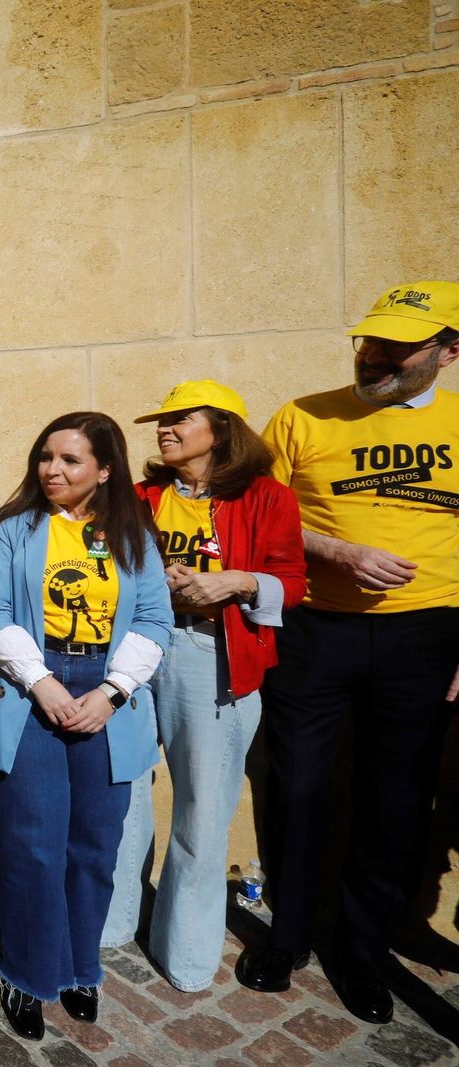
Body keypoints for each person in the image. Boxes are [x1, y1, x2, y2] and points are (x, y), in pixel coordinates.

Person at [236, 282, 459, 1025]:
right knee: (297, 787)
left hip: (426, 635)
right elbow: (252, 516)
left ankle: (362, 952)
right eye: (369, 342)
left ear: (448, 352)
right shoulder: (303, 415)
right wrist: (332, 549)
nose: (375, 356)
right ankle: (288, 936)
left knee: (395, 798)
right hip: (315, 628)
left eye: (398, 347)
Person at [0, 411, 171, 1041]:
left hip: (109, 692)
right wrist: (43, 684)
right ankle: (25, 972)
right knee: (33, 842)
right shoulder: (16, 530)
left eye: (71, 460)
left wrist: (112, 691)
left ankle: (82, 967)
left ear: (105, 469)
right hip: (33, 688)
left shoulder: (133, 534)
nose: (52, 470)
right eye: (45, 457)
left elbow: (156, 620)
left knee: (95, 845)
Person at [97, 382, 305, 992]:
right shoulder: (141, 496)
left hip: (212, 654)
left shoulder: (267, 497)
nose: (164, 428)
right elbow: (103, 560)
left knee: (203, 811)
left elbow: (290, 582)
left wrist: (233, 582)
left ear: (221, 427)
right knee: (123, 792)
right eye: (160, 419)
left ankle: (186, 954)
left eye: (179, 418)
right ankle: (111, 924)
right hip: (138, 650)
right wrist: (151, 576)